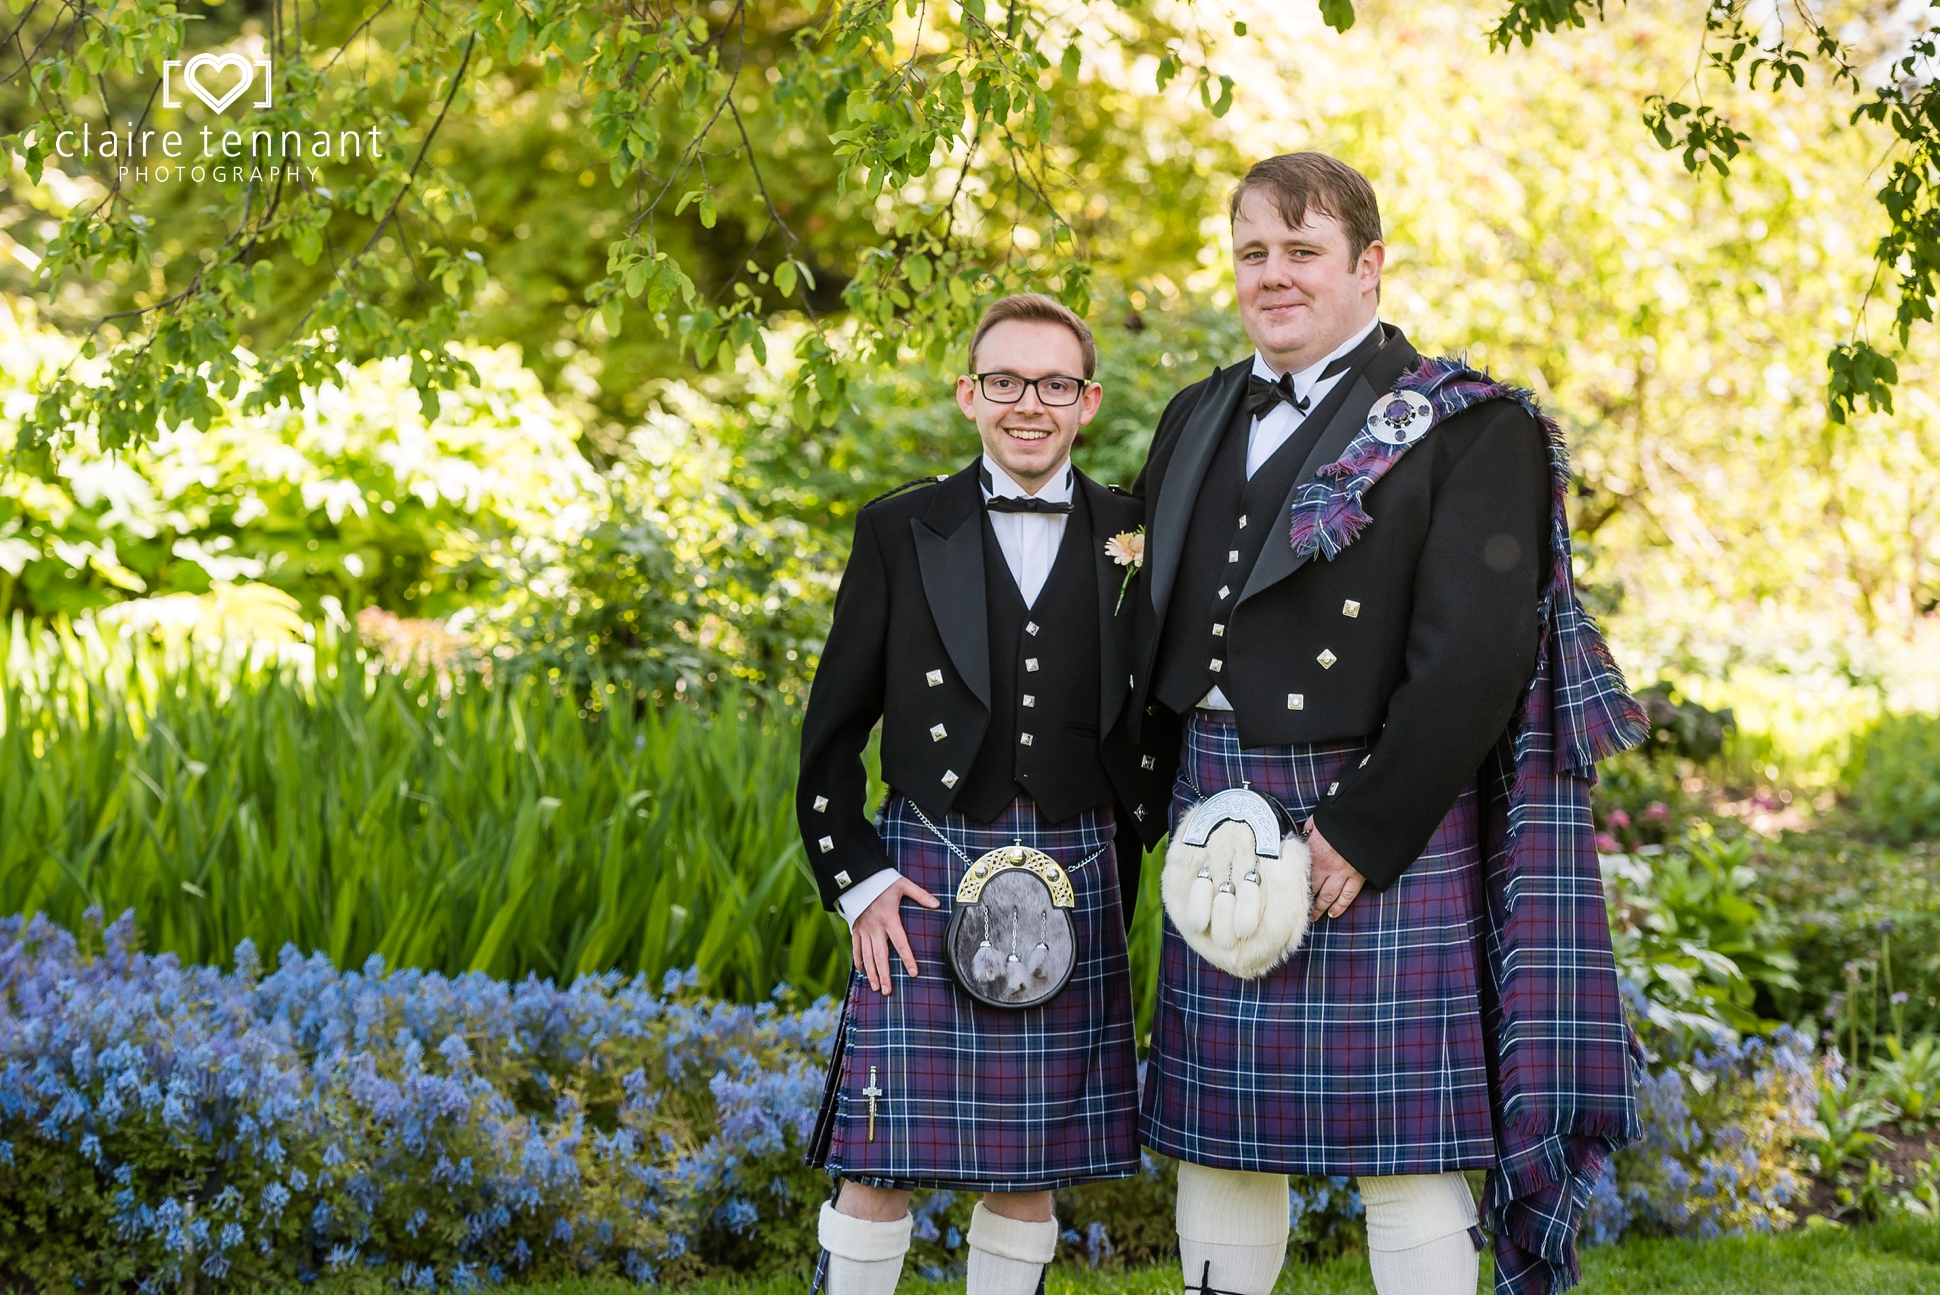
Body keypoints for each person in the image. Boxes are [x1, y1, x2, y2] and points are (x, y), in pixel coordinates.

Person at [1130, 153, 1645, 1295]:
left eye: (1301, 251)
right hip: (1213, 801)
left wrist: (1364, 830)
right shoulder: (1196, 411)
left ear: (1368, 266)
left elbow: (1475, 655)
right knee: (1219, 1134)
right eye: (1253, 251)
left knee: (1405, 1148)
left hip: (1366, 818)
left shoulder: (1465, 427)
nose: (1273, 276)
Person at [797, 293, 1175, 1295]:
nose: (1027, 404)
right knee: (876, 1160)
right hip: (923, 870)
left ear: (1086, 401)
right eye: (1004, 381)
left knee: (1027, 1173)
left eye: (1053, 384)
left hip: (1076, 867)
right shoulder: (897, 529)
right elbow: (829, 737)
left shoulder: (1137, 533)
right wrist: (858, 881)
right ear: (969, 394)